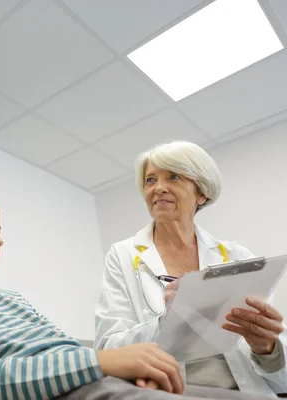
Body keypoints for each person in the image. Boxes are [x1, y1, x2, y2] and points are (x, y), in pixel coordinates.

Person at [0, 193, 273, 399]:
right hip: (61, 389)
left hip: (96, 377)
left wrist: (130, 368)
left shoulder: (15, 299)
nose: (0, 238)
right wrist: (101, 364)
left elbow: (68, 349)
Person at [95, 141, 287, 397]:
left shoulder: (237, 257)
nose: (158, 188)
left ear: (201, 193)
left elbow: (281, 382)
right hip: (172, 393)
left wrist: (268, 349)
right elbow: (109, 350)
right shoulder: (123, 255)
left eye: (173, 176)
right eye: (150, 180)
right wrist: (167, 323)